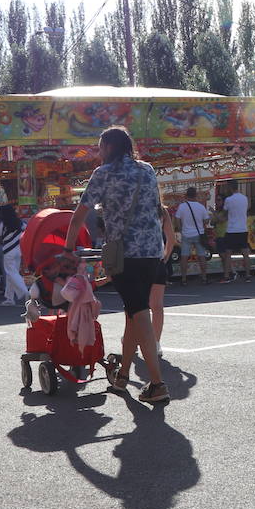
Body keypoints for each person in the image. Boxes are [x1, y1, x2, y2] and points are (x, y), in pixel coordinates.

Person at [64, 126, 171, 403]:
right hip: (152, 251)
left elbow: (78, 216)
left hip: (125, 254)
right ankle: (122, 377)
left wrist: (67, 248)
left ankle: (157, 384)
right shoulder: (147, 169)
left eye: (100, 148)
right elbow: (158, 207)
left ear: (110, 147)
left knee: (138, 312)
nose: (99, 153)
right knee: (133, 312)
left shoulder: (104, 174)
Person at [148, 203, 177, 356]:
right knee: (157, 306)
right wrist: (164, 257)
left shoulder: (131, 205)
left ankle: (130, 337)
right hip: (157, 260)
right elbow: (171, 239)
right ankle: (156, 342)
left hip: (136, 261)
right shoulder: (161, 210)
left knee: (136, 306)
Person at [174, 187, 211, 284]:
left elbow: (177, 219)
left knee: (184, 257)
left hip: (186, 234)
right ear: (196, 195)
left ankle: (183, 279)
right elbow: (206, 220)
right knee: (201, 256)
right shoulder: (201, 207)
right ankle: (204, 277)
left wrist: (181, 229)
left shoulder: (182, 207)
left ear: (186, 195)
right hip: (199, 234)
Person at [0, 204, 28, 306]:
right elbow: (26, 233)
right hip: (19, 251)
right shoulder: (21, 223)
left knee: (12, 273)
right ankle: (9, 298)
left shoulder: (2, 224)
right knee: (11, 274)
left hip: (8, 251)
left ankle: (25, 292)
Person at [219, 180, 251, 283]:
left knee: (228, 252)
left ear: (230, 187)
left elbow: (225, 212)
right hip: (243, 228)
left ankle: (227, 275)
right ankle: (248, 274)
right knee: (245, 252)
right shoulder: (244, 198)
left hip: (232, 229)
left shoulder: (229, 199)